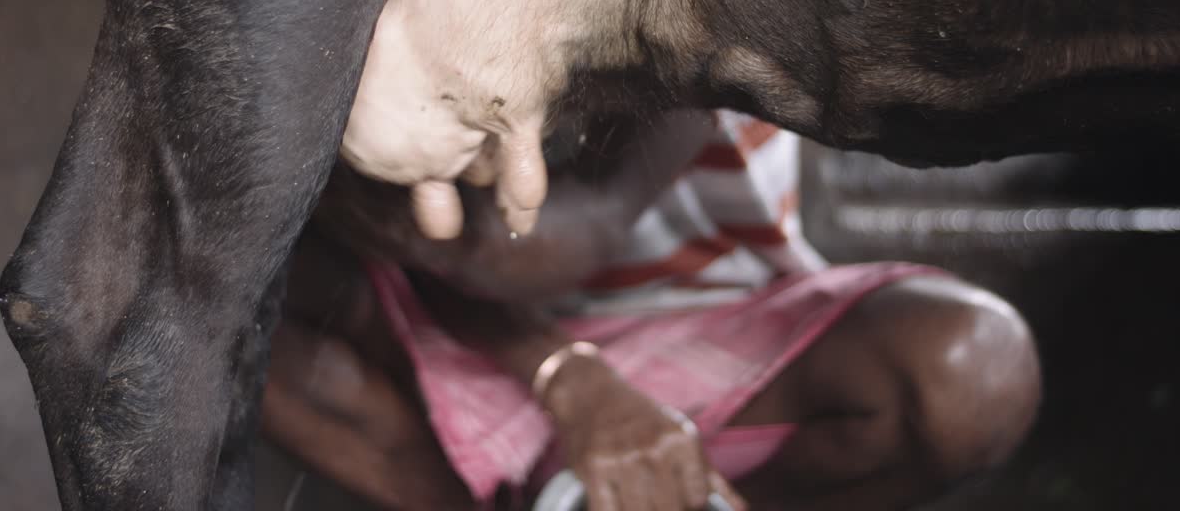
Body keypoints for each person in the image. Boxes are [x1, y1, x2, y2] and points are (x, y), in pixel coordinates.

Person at [263, 110, 1042, 510]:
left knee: (974, 377)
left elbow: (573, 229)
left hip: (708, 326)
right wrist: (575, 382)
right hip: (462, 307)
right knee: (260, 314)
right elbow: (521, 249)